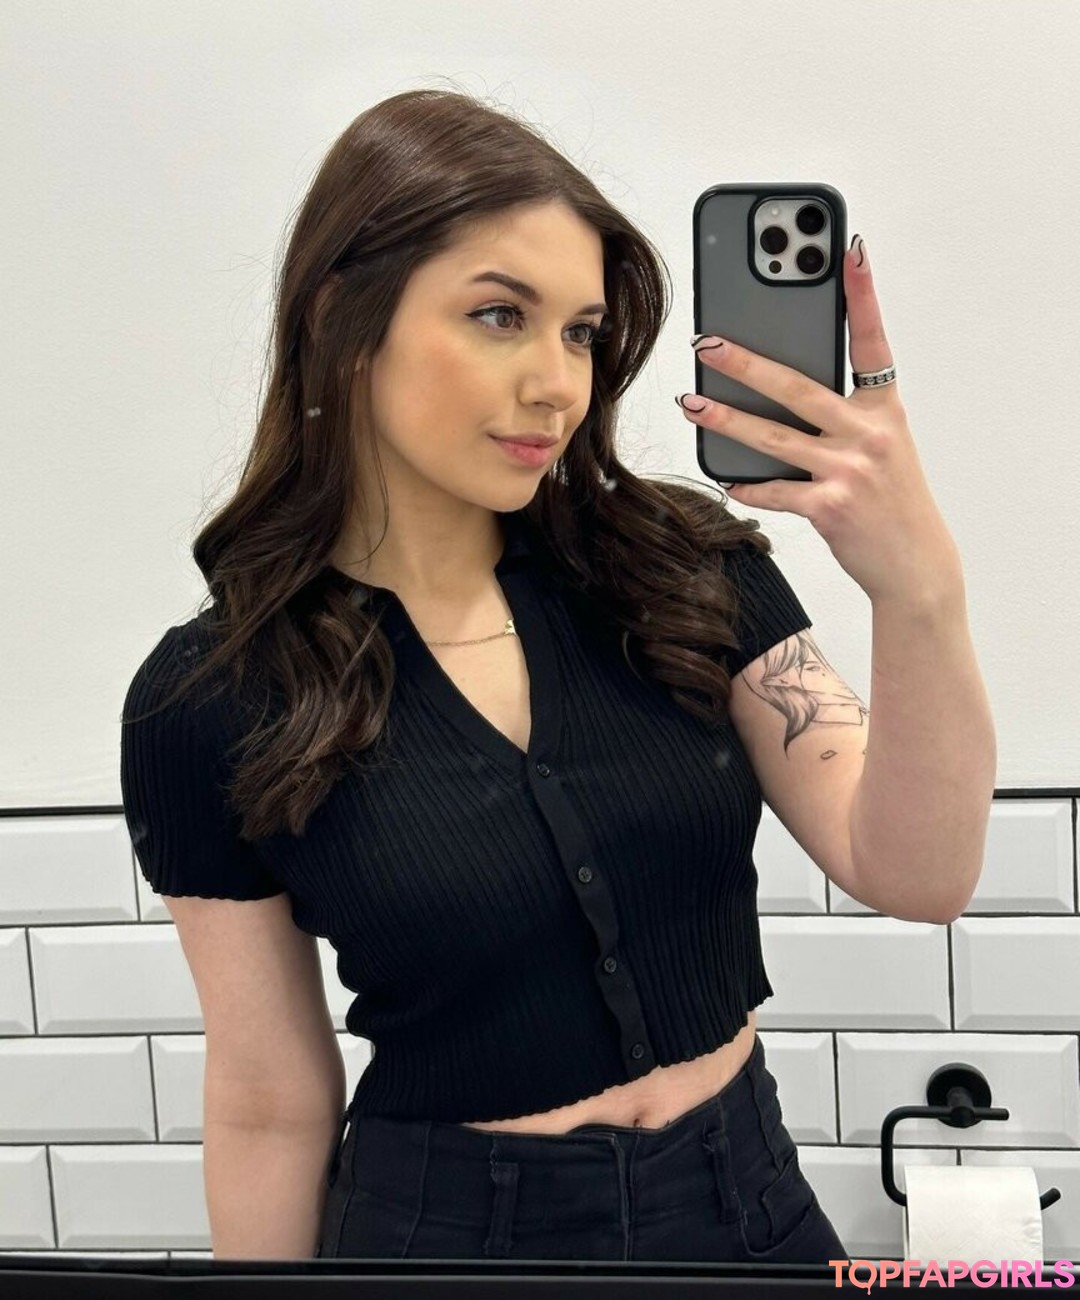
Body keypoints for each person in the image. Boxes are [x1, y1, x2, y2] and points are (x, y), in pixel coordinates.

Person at [119, 89, 996, 1264]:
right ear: (342, 319)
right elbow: (268, 1099)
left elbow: (921, 871)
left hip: (750, 1210)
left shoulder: (681, 571)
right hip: (446, 1240)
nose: (558, 383)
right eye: (500, 316)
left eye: (580, 332)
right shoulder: (210, 697)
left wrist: (919, 591)